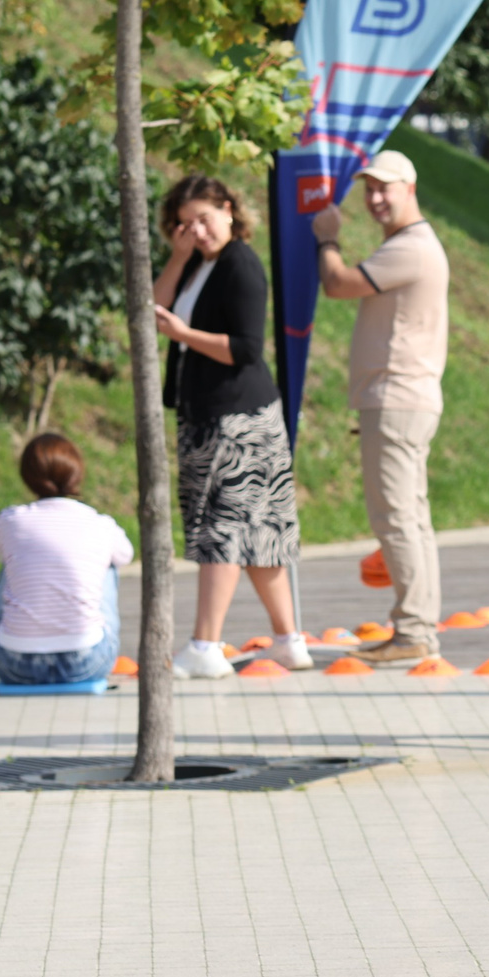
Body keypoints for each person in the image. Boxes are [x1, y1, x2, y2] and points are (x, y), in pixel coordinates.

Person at [152, 176, 310, 676]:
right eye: (186, 223)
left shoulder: (240, 263)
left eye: (204, 217)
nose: (198, 230)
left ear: (228, 209)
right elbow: (152, 308)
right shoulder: (199, 264)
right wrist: (177, 257)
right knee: (258, 534)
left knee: (221, 529)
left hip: (239, 418)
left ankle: (205, 645)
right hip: (211, 412)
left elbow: (245, 348)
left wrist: (184, 335)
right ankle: (289, 640)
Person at [313, 150, 449, 666]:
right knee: (411, 518)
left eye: (384, 188)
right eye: (368, 189)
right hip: (405, 398)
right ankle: (417, 626)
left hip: (396, 398)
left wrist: (327, 238)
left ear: (409, 188)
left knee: (395, 518)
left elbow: (338, 284)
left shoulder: (411, 247)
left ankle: (413, 629)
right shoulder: (415, 244)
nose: (374, 198)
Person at [0, 434, 134, 685]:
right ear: (77, 473)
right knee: (108, 564)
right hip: (87, 662)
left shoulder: (9, 521)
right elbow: (126, 554)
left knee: (10, 566)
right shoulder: (99, 523)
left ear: (27, 476)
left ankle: (24, 635)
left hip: (12, 664)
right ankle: (88, 631)